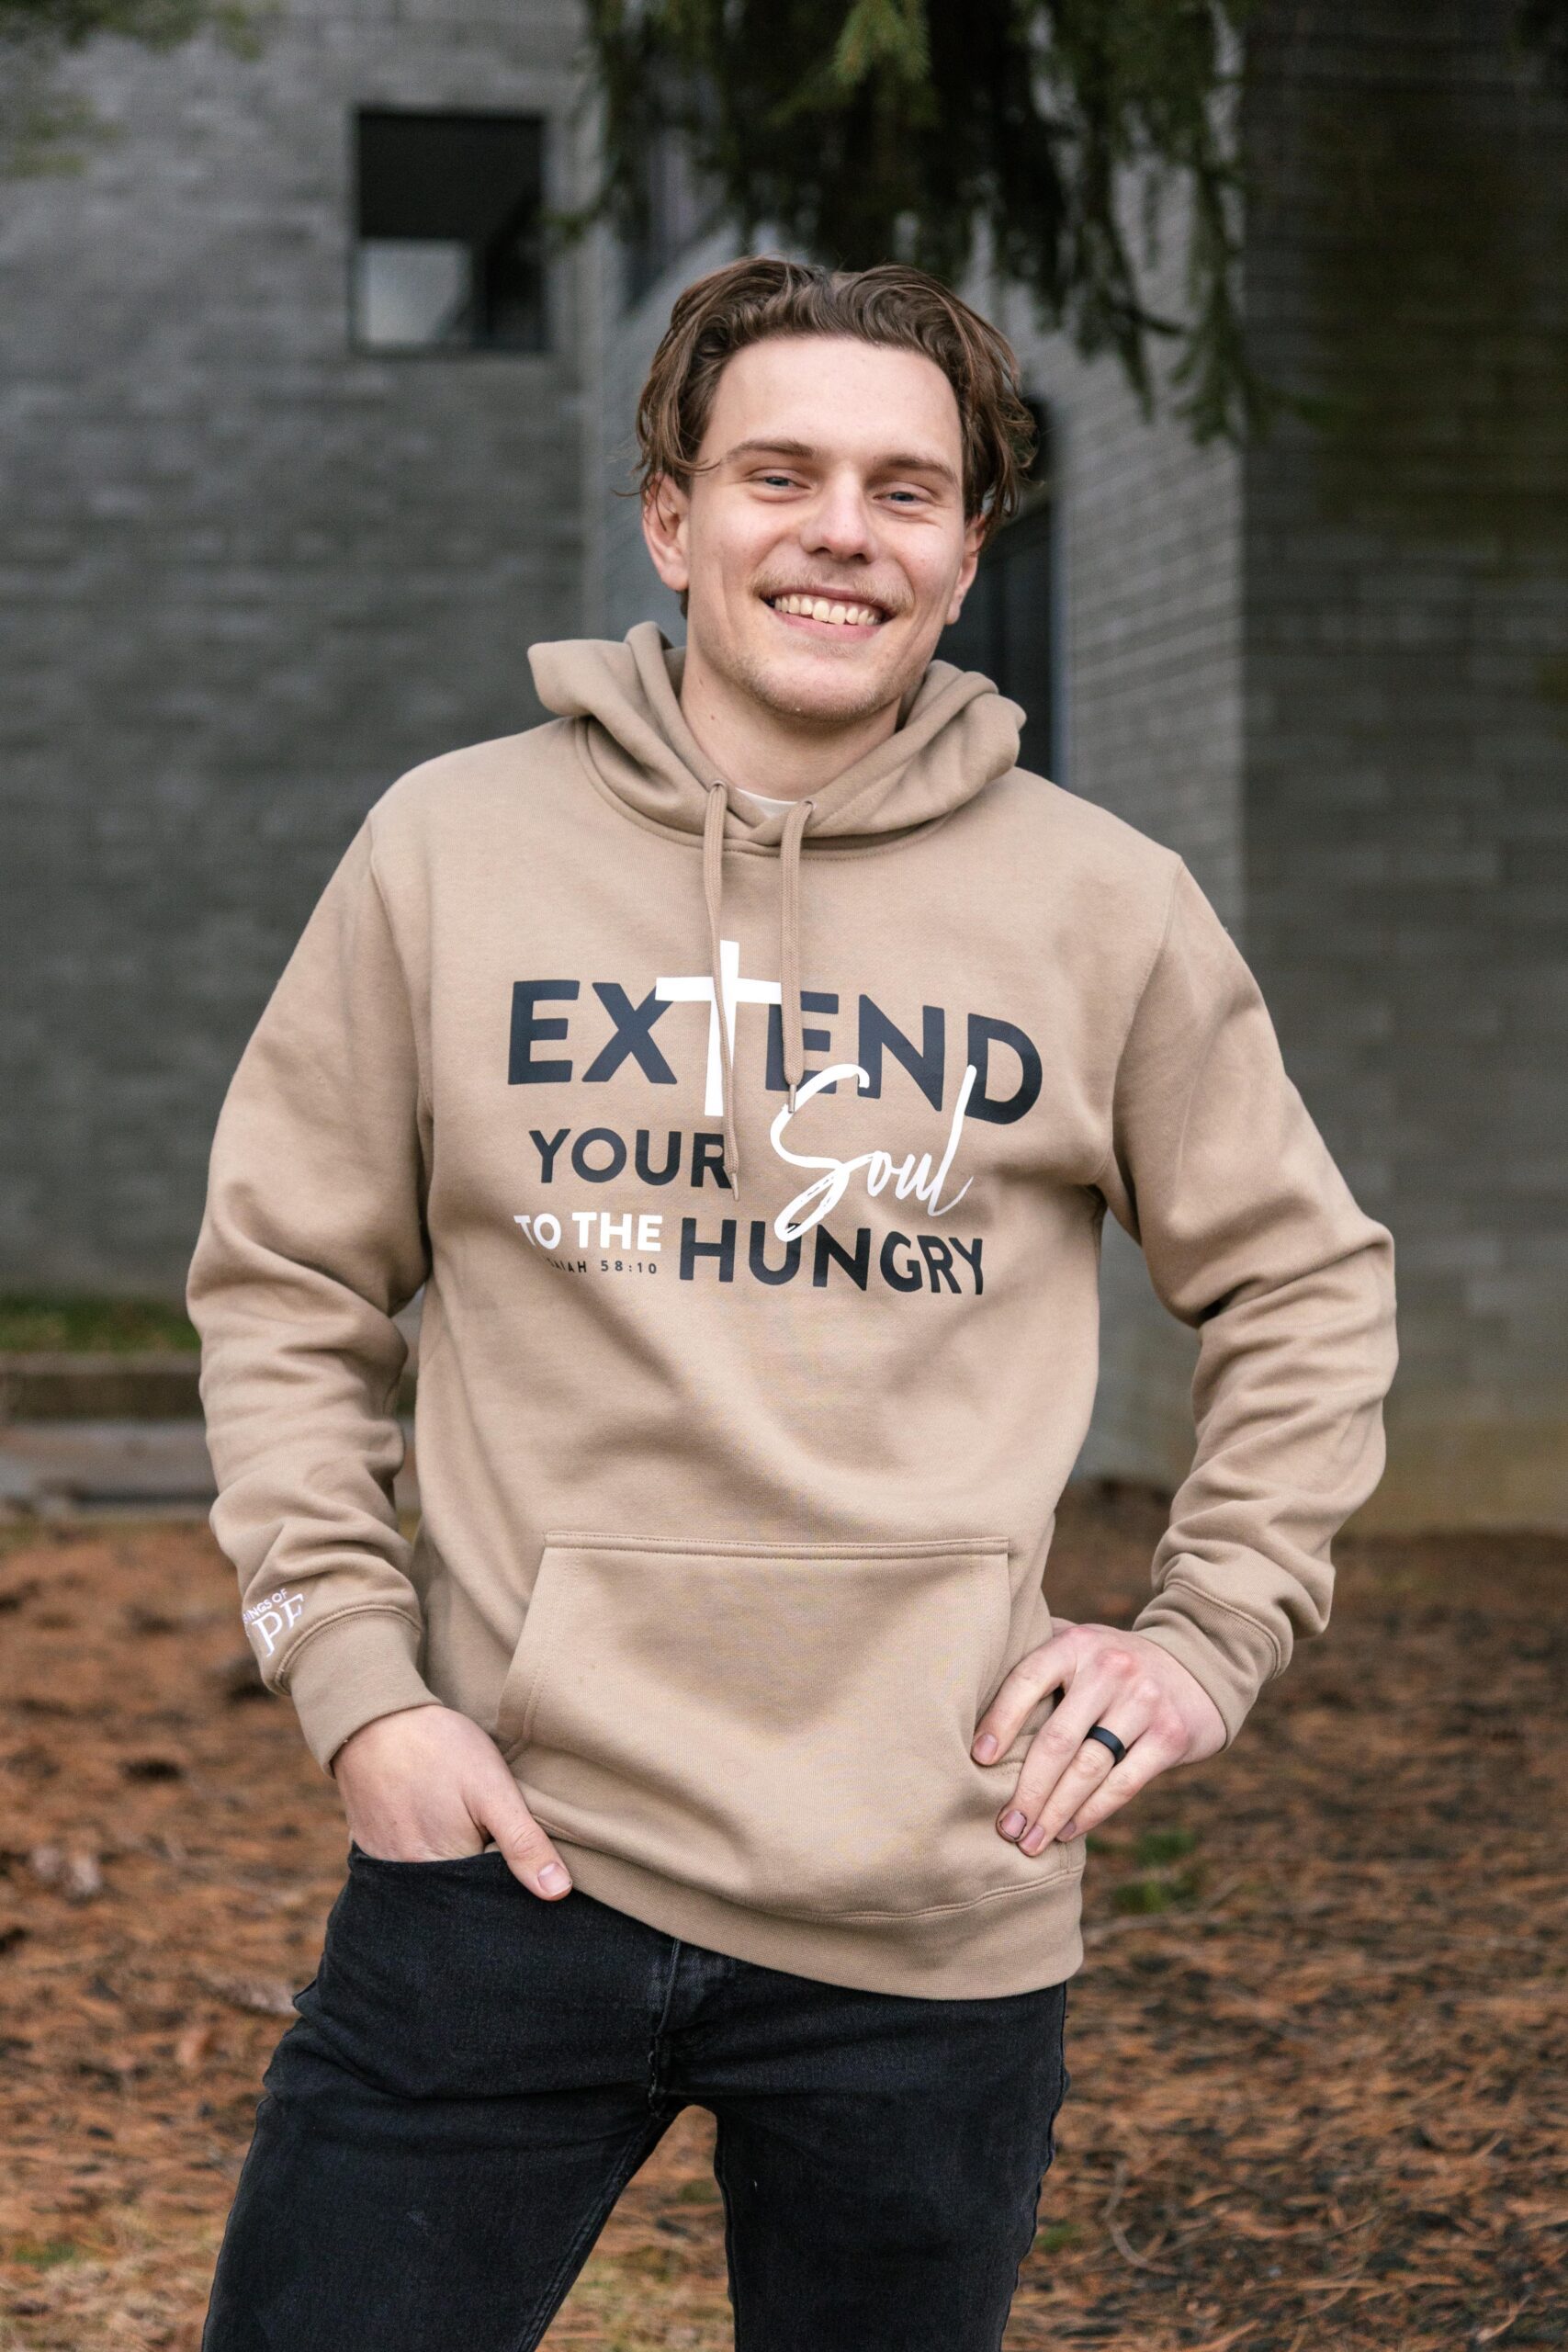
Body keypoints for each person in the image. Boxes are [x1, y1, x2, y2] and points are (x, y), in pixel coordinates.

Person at [187, 254, 1398, 2351]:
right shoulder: (447, 850)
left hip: (932, 1897)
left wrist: (1207, 1631)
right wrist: (353, 1680)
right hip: (502, 1852)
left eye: (903, 489)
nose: (841, 529)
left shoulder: (1099, 904)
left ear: (961, 547)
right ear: (671, 518)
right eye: (779, 472)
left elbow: (1301, 1276)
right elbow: (287, 1275)